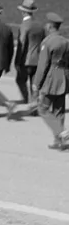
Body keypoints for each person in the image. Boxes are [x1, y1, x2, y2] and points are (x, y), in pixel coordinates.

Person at [33, 13, 69, 151]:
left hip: (51, 77)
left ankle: (61, 131)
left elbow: (43, 66)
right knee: (59, 109)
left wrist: (37, 84)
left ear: (49, 26)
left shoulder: (47, 42)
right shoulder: (66, 41)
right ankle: (58, 141)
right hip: (64, 76)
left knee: (43, 108)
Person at [15, 0, 45, 107]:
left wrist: (17, 61)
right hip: (37, 59)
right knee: (34, 83)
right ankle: (34, 102)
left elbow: (21, 44)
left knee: (20, 80)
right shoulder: (40, 25)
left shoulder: (24, 25)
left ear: (23, 11)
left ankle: (27, 99)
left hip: (26, 60)